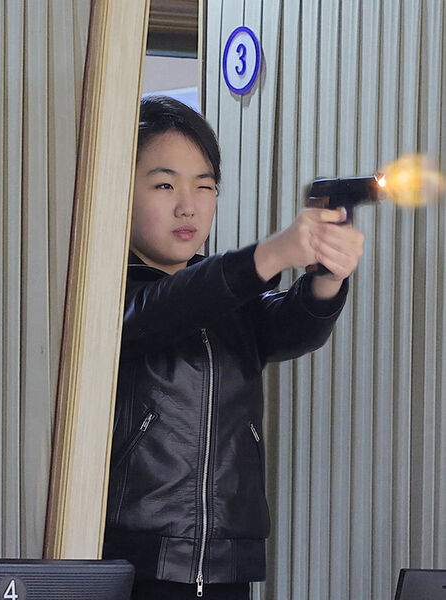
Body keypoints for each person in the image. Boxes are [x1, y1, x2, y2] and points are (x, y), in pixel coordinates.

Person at [101, 96, 364, 600]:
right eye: (164, 185)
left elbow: (291, 325)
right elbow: (163, 309)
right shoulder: (105, 289)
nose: (188, 206)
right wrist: (273, 253)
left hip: (229, 557)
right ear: (118, 189)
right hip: (134, 555)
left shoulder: (227, 298)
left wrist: (326, 275)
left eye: (205, 186)